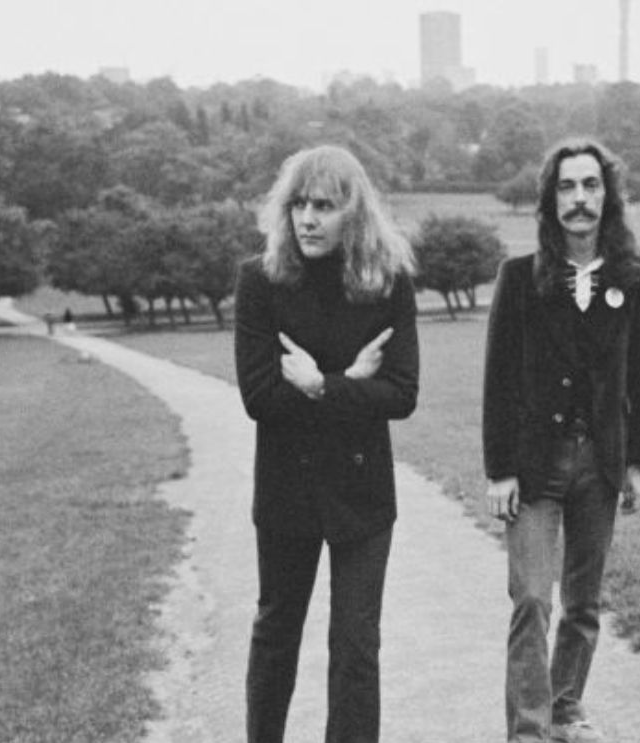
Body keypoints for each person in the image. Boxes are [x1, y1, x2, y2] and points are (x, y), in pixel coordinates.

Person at [234, 144, 419, 743]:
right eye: (299, 205)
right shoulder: (260, 281)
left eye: (324, 206)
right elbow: (260, 397)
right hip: (286, 489)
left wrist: (320, 385)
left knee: (357, 646)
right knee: (276, 634)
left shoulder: (388, 283)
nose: (307, 219)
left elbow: (402, 393)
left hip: (362, 495)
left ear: (353, 213)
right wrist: (352, 382)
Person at [483, 137, 640, 743]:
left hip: (600, 464)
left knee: (583, 604)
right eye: (566, 186)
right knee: (532, 599)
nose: (579, 198)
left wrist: (638, 462)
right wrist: (499, 470)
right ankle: (528, 732)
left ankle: (562, 709)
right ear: (550, 200)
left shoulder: (630, 278)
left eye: (590, 185)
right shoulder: (519, 279)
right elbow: (498, 379)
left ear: (607, 197)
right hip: (534, 465)